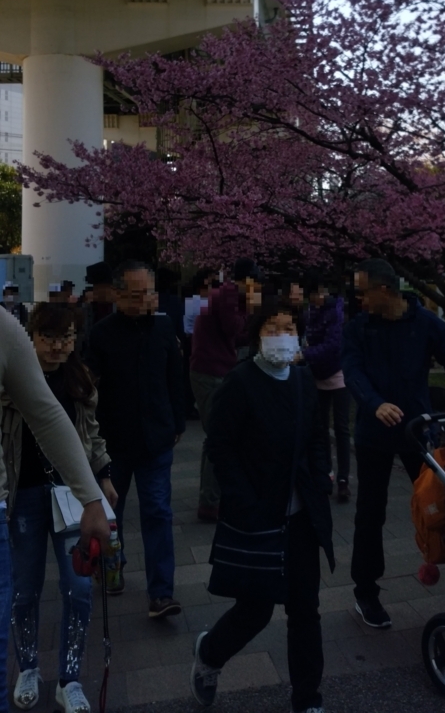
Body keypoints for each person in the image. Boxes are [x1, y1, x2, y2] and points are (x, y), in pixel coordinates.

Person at [190, 300, 334, 713]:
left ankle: (308, 699)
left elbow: (317, 437)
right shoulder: (240, 382)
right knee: (255, 610)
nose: (283, 335)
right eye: (273, 327)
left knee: (306, 609)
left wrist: (321, 476)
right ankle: (210, 654)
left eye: (290, 327)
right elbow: (219, 445)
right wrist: (242, 498)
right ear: (256, 334)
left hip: (302, 515)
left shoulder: (304, 381)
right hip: (259, 514)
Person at [343, 258, 445, 629]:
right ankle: (366, 591)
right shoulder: (359, 327)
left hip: (418, 430)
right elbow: (353, 372)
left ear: (384, 290)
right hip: (374, 435)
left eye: (363, 291)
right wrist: (374, 404)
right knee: (369, 514)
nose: (358, 299)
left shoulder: (425, 324)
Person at [3, 304, 117, 713]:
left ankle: (69, 677)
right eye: (48, 337)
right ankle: (28, 665)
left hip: (71, 496)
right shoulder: (10, 378)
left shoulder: (80, 380)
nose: (57, 346)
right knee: (24, 589)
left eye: (66, 337)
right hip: (24, 496)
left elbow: (92, 436)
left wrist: (102, 477)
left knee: (79, 587)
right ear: (30, 337)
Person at [87, 260, 185, 618]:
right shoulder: (100, 334)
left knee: (158, 511)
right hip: (113, 442)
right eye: (134, 294)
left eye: (148, 292)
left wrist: (178, 420)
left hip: (156, 438)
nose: (143, 300)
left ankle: (162, 593)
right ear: (116, 294)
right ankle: (113, 569)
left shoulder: (163, 328)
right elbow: (88, 387)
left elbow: (176, 376)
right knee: (112, 513)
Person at [189, 259, 261, 522]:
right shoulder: (229, 293)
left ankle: (213, 497)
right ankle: (209, 502)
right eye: (254, 284)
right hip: (209, 371)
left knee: (219, 435)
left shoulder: (228, 295)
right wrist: (251, 310)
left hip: (215, 368)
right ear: (246, 281)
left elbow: (237, 336)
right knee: (218, 436)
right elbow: (233, 327)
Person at [303, 277, 350, 503]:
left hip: (337, 372)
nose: (315, 299)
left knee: (341, 427)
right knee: (320, 427)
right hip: (317, 373)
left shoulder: (335, 311)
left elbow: (333, 345)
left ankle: (343, 479)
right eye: (311, 296)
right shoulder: (311, 312)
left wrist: (306, 354)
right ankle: (326, 472)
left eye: (317, 293)